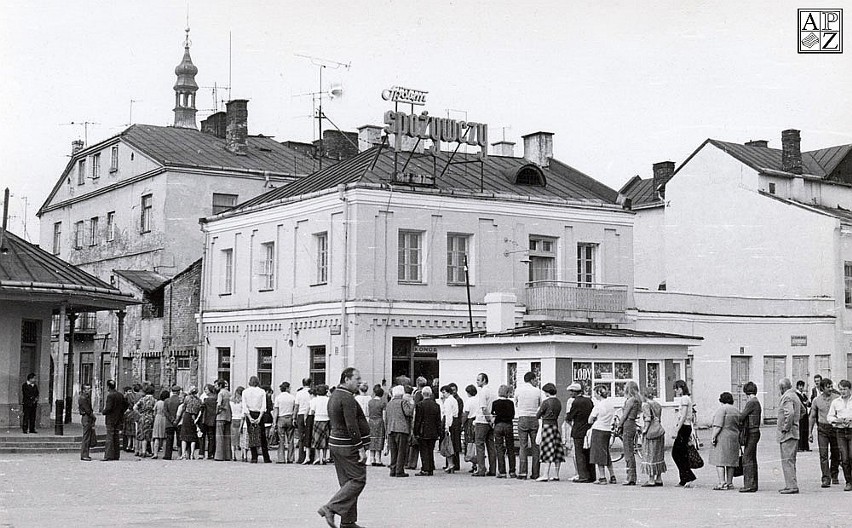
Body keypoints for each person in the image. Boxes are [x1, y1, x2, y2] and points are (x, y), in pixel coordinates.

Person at [317, 367, 370, 528]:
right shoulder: (347, 397)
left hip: (336, 443)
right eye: (357, 379)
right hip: (348, 445)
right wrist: (360, 448)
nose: (359, 383)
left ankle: (348, 522)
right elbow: (351, 425)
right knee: (358, 480)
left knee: (347, 483)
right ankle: (330, 508)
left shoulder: (335, 395)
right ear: (346, 379)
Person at [809, 377, 840, 487]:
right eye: (828, 387)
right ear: (822, 388)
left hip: (835, 428)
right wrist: (810, 432)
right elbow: (812, 417)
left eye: (831, 386)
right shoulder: (816, 401)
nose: (831, 389)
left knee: (836, 453)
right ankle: (826, 478)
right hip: (822, 429)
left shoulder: (837, 398)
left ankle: (834, 474)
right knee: (823, 455)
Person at [709, 392, 741, 490]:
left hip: (723, 437)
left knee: (720, 460)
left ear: (721, 400)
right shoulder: (736, 410)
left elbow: (718, 426)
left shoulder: (722, 409)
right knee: (731, 461)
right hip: (734, 437)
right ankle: (729, 483)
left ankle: (722, 483)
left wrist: (713, 437)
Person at [565, 382, 596, 483]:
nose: (570, 393)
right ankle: (592, 475)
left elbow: (569, 417)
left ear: (575, 392)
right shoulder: (589, 400)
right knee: (588, 452)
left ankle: (583, 476)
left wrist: (569, 421)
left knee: (579, 454)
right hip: (588, 429)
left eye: (571, 391)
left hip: (578, 430)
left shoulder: (576, 402)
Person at [777, 377, 803, 494]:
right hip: (794, 432)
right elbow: (802, 411)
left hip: (788, 434)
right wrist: (796, 422)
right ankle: (790, 484)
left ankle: (791, 486)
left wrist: (786, 427)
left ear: (782, 388)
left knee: (787, 460)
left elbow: (790, 413)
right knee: (791, 460)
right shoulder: (795, 396)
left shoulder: (787, 397)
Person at [514, 372, 541, 481]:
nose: (536, 382)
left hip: (523, 418)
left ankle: (522, 472)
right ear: (532, 379)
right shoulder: (537, 391)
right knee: (535, 446)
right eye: (535, 380)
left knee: (523, 446)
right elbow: (540, 404)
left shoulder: (518, 390)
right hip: (534, 418)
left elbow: (515, 403)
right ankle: (535, 473)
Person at [536, 382, 565, 481]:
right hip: (555, 426)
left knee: (547, 450)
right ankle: (556, 474)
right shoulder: (558, 402)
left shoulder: (546, 402)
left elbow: (538, 415)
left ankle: (545, 474)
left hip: (547, 426)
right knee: (557, 450)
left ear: (547, 392)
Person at [827, 379, 852, 491]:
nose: (842, 392)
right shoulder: (836, 402)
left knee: (851, 456)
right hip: (840, 431)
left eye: (845, 389)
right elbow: (829, 417)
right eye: (841, 389)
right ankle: (848, 482)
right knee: (845, 458)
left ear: (849, 389)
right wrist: (838, 420)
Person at [589, 385, 617, 485]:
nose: (594, 395)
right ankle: (612, 476)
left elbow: (590, 419)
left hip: (598, 429)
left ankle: (602, 477)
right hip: (607, 430)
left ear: (599, 393)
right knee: (606, 454)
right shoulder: (610, 404)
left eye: (595, 393)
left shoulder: (598, 405)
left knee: (598, 454)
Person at [671, 379, 697, 488]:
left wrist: (677, 429)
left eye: (677, 388)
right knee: (681, 453)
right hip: (685, 427)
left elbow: (684, 415)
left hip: (684, 427)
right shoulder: (685, 399)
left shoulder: (684, 399)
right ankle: (684, 477)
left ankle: (688, 476)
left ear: (681, 388)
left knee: (677, 453)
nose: (676, 391)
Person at [385, 384, 414, 477]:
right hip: (401, 429)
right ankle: (399, 470)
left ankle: (393, 469)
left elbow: (386, 418)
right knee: (401, 451)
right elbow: (408, 413)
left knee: (394, 451)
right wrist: (412, 404)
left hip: (391, 429)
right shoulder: (403, 402)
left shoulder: (389, 404)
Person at [640, 386, 666, 487]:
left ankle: (651, 479)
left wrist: (644, 430)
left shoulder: (645, 405)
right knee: (658, 454)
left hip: (650, 433)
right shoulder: (658, 404)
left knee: (650, 454)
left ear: (644, 395)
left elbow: (648, 418)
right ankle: (659, 478)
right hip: (659, 432)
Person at [738, 381, 761, 492]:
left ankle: (749, 485)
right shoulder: (756, 401)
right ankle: (753, 484)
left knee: (747, 457)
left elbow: (741, 417)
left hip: (751, 432)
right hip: (755, 432)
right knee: (752, 457)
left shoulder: (751, 402)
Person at [473, 372, 497, 477]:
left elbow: (483, 408)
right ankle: (493, 469)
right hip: (491, 420)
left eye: (479, 380)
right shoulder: (492, 392)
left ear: (484, 380)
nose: (477, 381)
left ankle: (481, 469)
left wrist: (488, 419)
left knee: (479, 444)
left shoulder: (483, 392)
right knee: (491, 445)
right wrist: (492, 420)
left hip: (482, 420)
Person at [413, 386, 442, 476]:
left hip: (423, 430)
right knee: (430, 450)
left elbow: (418, 420)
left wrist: (415, 431)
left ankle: (425, 469)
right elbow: (438, 420)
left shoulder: (420, 405)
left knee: (424, 450)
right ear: (430, 394)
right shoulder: (436, 405)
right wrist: (439, 432)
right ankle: (430, 468)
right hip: (433, 431)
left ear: (422, 394)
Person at [243, 376, 271, 463]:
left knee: (252, 436)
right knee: (262, 436)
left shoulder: (245, 392)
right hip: (259, 413)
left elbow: (244, 406)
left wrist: (250, 417)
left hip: (250, 413)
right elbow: (264, 406)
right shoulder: (262, 391)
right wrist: (259, 417)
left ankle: (254, 457)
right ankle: (266, 457)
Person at [620, 381, 642, 485]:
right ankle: (632, 476)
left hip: (628, 424)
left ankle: (630, 477)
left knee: (628, 451)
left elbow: (624, 415)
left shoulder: (630, 400)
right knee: (630, 451)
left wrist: (619, 425)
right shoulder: (637, 399)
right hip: (632, 424)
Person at [492, 384, 516, 478]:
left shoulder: (495, 403)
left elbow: (492, 414)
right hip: (508, 425)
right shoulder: (510, 403)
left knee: (499, 448)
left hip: (498, 425)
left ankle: (502, 471)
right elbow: (513, 415)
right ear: (507, 393)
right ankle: (512, 471)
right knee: (510, 448)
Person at [406, 376, 428, 470]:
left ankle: (412, 463)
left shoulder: (418, 393)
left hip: (417, 418)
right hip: (426, 420)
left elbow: (415, 407)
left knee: (414, 442)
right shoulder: (428, 392)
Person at [102, 380, 126, 461]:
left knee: (109, 436)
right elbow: (126, 404)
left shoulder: (110, 396)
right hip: (118, 418)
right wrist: (121, 412)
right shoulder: (120, 395)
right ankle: (116, 455)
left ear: (108, 387)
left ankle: (108, 455)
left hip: (111, 419)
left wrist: (104, 412)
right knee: (116, 436)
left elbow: (108, 408)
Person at [273, 381, 296, 463]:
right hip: (289, 418)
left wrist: (274, 422)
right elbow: (294, 409)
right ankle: (290, 458)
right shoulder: (292, 397)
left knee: (281, 439)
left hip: (281, 418)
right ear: (287, 388)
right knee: (290, 439)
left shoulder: (278, 397)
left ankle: (281, 458)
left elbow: (276, 410)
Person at [439, 385, 459, 473]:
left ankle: (450, 464)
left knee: (448, 444)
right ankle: (451, 464)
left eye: (444, 392)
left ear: (447, 392)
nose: (443, 394)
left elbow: (448, 414)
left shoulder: (448, 401)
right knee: (451, 444)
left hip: (450, 423)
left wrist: (447, 427)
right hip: (455, 422)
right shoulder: (454, 400)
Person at [180, 386, 204, 460]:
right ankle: (192, 454)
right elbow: (201, 410)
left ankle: (183, 454)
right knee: (193, 437)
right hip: (195, 417)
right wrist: (196, 419)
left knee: (184, 436)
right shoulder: (199, 400)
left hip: (187, 416)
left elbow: (183, 407)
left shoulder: (187, 398)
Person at [311, 384, 332, 464]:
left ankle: (317, 457)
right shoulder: (328, 399)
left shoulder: (315, 400)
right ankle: (324, 457)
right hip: (327, 419)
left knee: (317, 439)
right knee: (325, 439)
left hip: (317, 419)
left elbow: (312, 411)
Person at [134, 385, 157, 458]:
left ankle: (143, 451)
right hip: (151, 418)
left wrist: (140, 413)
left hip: (143, 417)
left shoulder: (142, 399)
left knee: (143, 434)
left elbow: (135, 407)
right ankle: (152, 451)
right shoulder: (154, 400)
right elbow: (155, 409)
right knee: (150, 435)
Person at [367, 385, 387, 466]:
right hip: (379, 421)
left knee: (371, 438)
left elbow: (368, 413)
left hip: (371, 421)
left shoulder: (370, 402)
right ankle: (378, 458)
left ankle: (372, 458)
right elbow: (384, 415)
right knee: (379, 439)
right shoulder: (382, 403)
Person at [295, 378, 314, 464]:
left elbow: (296, 406)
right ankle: (311, 456)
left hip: (300, 414)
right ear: (310, 383)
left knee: (301, 437)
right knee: (310, 436)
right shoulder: (312, 392)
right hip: (310, 414)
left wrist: (294, 417)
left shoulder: (299, 393)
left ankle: (301, 457)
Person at [447, 383, 464, 472]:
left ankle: (455, 464)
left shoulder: (458, 400)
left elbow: (459, 413)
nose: (453, 392)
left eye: (454, 390)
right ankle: (450, 463)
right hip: (453, 423)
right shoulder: (452, 399)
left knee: (455, 444)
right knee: (451, 443)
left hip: (456, 423)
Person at [463, 384, 479, 474]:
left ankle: (473, 462)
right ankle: (476, 463)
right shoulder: (478, 400)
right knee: (476, 443)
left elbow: (466, 413)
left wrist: (462, 423)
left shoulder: (469, 401)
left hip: (470, 421)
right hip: (477, 420)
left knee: (470, 442)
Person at [162, 385, 182, 460]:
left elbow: (165, 411)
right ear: (178, 392)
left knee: (169, 438)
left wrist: (171, 419)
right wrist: (176, 420)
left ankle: (168, 455)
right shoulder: (180, 400)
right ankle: (179, 454)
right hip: (178, 422)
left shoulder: (167, 400)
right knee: (179, 438)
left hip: (169, 422)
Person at [214, 379, 233, 461]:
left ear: (220, 385)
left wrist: (217, 412)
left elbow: (219, 404)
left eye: (216, 385)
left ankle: (219, 455)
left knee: (219, 436)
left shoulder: (220, 393)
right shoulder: (229, 393)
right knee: (227, 437)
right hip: (228, 416)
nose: (215, 387)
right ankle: (228, 455)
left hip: (221, 417)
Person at [78, 383, 95, 461]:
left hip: (87, 417)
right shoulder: (83, 398)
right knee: (86, 437)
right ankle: (84, 454)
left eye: (89, 389)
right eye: (87, 389)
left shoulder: (86, 397)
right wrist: (93, 416)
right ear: (83, 390)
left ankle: (86, 454)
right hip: (86, 417)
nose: (89, 390)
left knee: (87, 436)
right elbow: (87, 410)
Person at [231, 386, 246, 461]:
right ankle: (243, 455)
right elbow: (243, 414)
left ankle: (233, 455)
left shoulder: (231, 402)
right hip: (241, 419)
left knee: (233, 439)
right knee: (242, 438)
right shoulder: (243, 402)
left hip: (233, 419)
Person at [152, 390, 168, 459]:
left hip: (158, 418)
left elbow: (154, 411)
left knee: (156, 437)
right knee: (164, 438)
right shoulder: (166, 402)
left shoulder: (158, 402)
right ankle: (164, 454)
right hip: (164, 418)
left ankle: (155, 453)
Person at [795, 380, 811, 452]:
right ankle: (800, 446)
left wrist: (808, 403)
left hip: (805, 415)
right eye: (800, 386)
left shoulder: (804, 395)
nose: (801, 387)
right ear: (797, 386)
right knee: (800, 430)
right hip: (800, 415)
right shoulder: (796, 395)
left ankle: (805, 446)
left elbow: (809, 404)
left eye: (802, 386)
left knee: (805, 430)